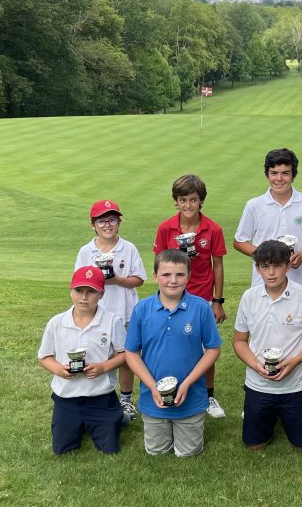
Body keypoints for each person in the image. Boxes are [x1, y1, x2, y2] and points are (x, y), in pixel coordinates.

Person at [232, 240, 302, 450]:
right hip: (258, 384)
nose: (271, 273)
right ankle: (275, 414)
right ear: (257, 268)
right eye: (265, 266)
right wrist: (255, 365)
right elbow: (239, 340)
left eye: (277, 266)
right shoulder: (249, 297)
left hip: (296, 384)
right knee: (255, 444)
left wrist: (295, 361)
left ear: (288, 266)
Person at [125, 249, 222, 457]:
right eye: (166, 274)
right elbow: (131, 352)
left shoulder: (200, 308)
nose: (172, 280)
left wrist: (187, 383)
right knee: (156, 451)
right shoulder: (142, 309)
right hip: (153, 398)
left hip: (191, 396)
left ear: (188, 276)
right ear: (155, 276)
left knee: (187, 453)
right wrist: (152, 386)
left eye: (179, 275)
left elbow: (213, 349)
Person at [153, 174, 229, 418]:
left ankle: (208, 396)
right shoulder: (166, 228)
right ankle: (171, 389)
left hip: (203, 296)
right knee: (175, 344)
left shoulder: (213, 229)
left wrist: (218, 301)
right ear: (176, 201)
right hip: (172, 296)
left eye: (193, 200)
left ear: (201, 201)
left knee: (207, 347)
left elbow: (217, 265)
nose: (188, 205)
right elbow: (159, 262)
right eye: (183, 200)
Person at [38, 266, 127, 455]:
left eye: (91, 292)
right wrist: (58, 370)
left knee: (109, 448)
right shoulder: (57, 322)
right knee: (62, 449)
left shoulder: (112, 321)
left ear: (101, 294)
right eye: (79, 290)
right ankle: (77, 422)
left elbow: (125, 353)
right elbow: (44, 357)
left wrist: (103, 367)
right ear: (71, 290)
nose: (84, 297)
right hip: (66, 397)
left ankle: (116, 415)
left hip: (100, 396)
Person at [74, 199, 146, 422]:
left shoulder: (128, 248)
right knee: (98, 356)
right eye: (102, 221)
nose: (107, 225)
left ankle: (125, 399)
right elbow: (79, 283)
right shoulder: (87, 251)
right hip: (97, 314)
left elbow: (138, 280)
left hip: (125, 313)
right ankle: (98, 398)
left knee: (126, 358)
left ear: (119, 222)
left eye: (112, 219)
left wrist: (115, 279)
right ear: (93, 224)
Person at [233, 148, 302, 289]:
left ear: (293, 175)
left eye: (285, 173)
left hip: (299, 284)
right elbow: (239, 241)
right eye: (274, 173)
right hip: (262, 285)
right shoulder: (254, 205)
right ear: (267, 175)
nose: (279, 179)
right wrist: (265, 257)